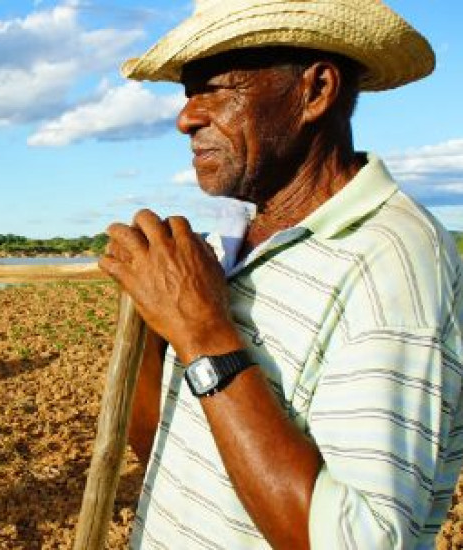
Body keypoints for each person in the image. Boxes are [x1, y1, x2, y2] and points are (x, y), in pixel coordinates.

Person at [98, 1, 463, 548]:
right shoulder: (233, 234)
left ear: (315, 91)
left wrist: (202, 334)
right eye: (187, 93)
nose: (186, 118)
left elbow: (358, 540)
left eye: (215, 89)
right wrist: (160, 319)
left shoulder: (393, 261)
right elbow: (166, 452)